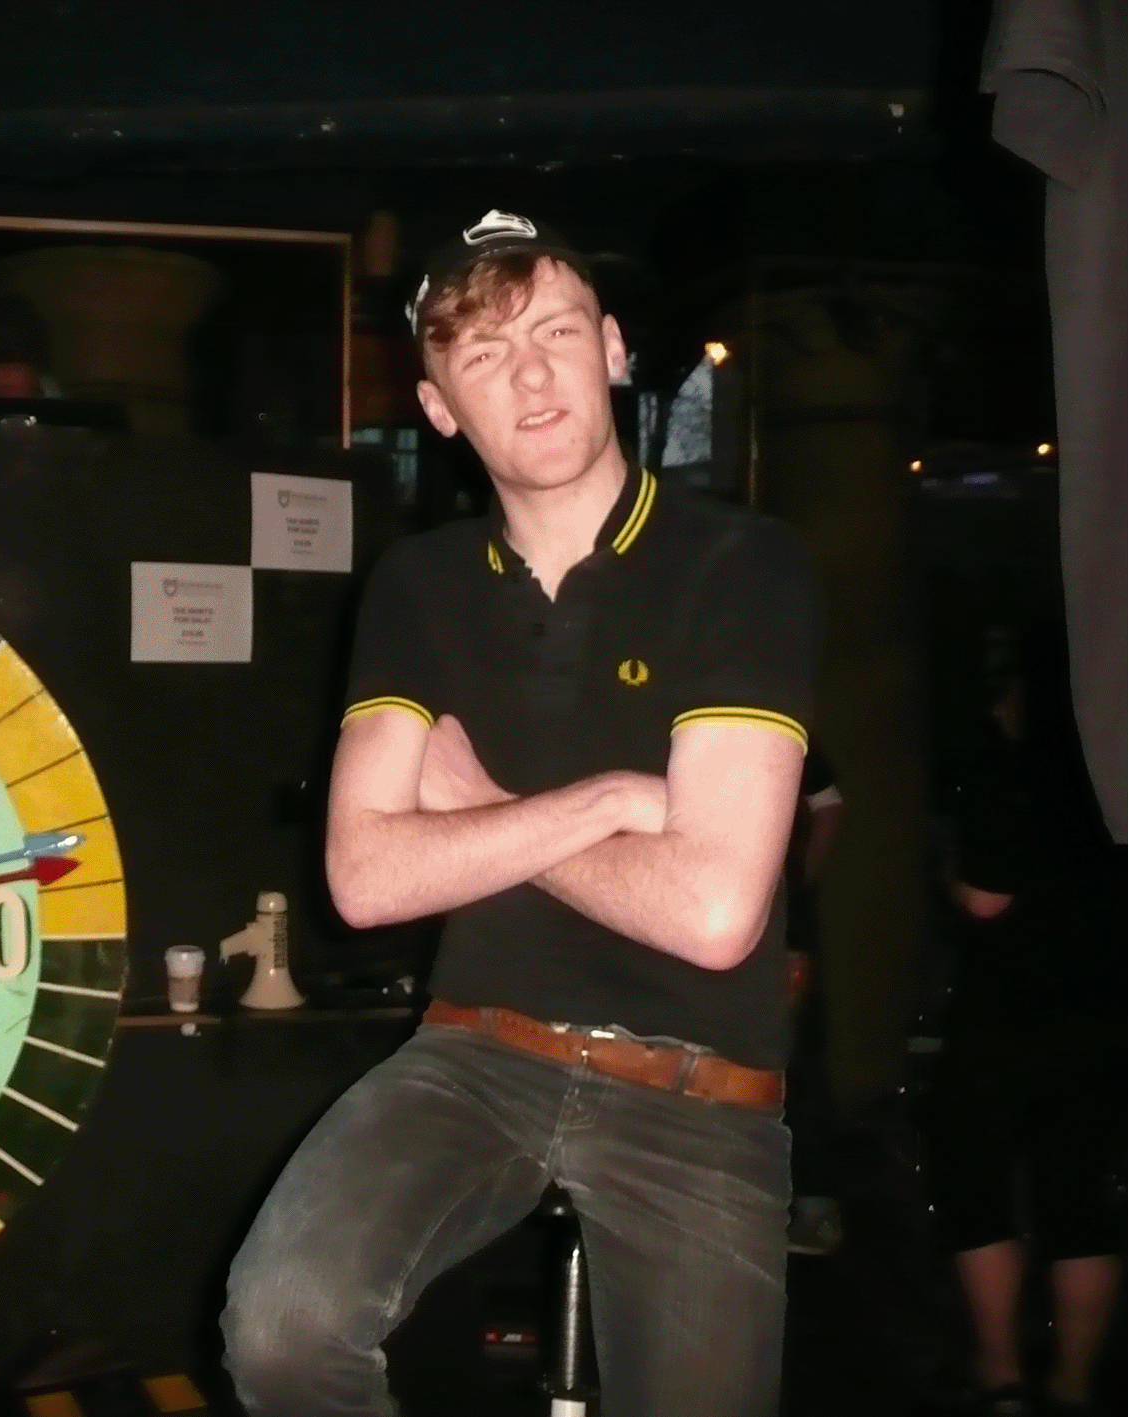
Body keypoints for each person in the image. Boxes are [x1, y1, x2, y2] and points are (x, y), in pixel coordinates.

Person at [220, 209, 819, 1417]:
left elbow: (712, 913)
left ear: (612, 348)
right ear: (439, 407)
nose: (531, 374)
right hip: (477, 1053)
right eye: (484, 353)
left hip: (696, 1084)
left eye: (555, 331)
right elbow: (366, 879)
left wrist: (483, 809)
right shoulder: (419, 584)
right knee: (283, 1329)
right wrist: (613, 802)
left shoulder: (742, 563)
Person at [929, 625, 1124, 1416]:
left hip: (1002, 1015)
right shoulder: (1111, 769)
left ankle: (1002, 1375)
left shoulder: (1005, 770)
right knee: (1080, 1205)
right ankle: (1074, 1384)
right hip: (1101, 1013)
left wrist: (948, 870)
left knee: (977, 1190)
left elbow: (987, 896)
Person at [785, 741, 846, 1256]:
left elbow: (829, 804)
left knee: (797, 1051)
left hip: (782, 922)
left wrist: (801, 884)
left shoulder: (783, 722)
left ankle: (815, 1203)